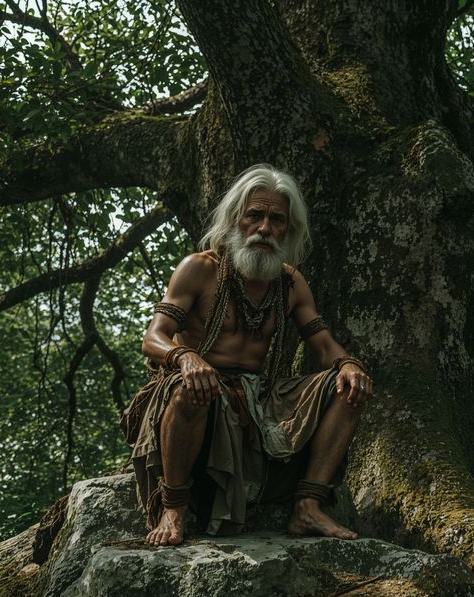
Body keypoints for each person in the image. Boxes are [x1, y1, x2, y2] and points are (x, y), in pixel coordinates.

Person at [121, 164, 372, 546]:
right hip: (192, 390)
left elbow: (323, 346)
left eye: (276, 220)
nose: (264, 228)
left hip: (259, 399)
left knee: (348, 388)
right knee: (194, 388)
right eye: (255, 215)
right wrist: (186, 358)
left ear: (288, 229)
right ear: (235, 218)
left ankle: (308, 505)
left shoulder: (290, 283)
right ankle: (173, 508)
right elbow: (154, 337)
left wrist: (349, 364)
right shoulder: (199, 268)